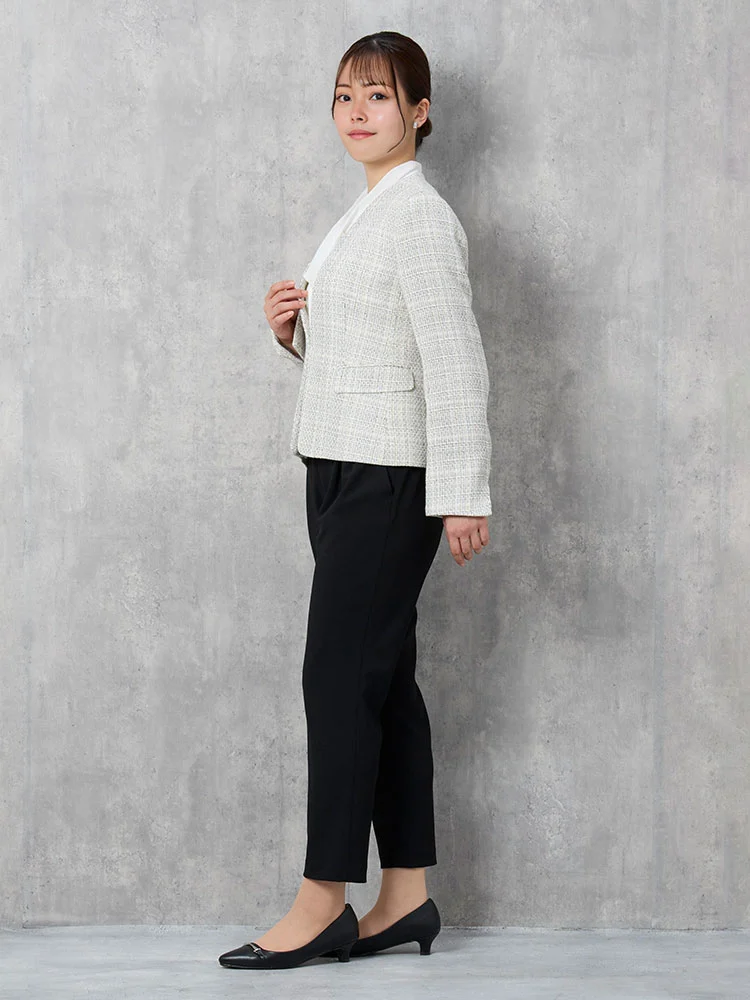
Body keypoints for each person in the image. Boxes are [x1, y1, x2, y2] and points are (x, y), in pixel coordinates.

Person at [219, 30, 492, 971]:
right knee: (381, 680)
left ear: (419, 110)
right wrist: (293, 333)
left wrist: (463, 494)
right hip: (339, 467)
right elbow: (380, 352)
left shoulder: (419, 216)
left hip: (390, 480)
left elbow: (454, 361)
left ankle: (322, 901)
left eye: (377, 95)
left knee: (335, 678)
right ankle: (407, 895)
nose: (357, 112)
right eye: (344, 96)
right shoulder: (364, 213)